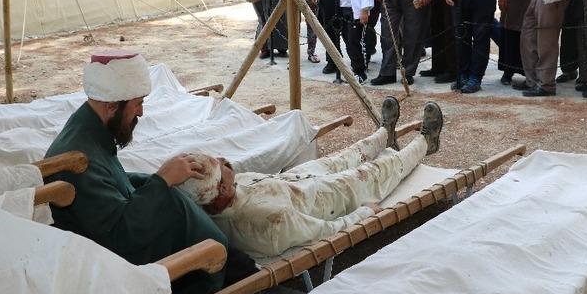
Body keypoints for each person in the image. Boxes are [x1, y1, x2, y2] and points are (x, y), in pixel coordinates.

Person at [43, 51, 231, 294]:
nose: (141, 113)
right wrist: (162, 181)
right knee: (205, 245)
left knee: (173, 202)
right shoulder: (78, 156)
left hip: (111, 244)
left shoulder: (91, 131)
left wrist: (156, 181)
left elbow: (114, 186)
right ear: (110, 106)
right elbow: (121, 235)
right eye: (137, 104)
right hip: (111, 265)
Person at [180, 97, 444, 258]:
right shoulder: (268, 223)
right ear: (222, 191)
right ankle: (426, 142)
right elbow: (321, 231)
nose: (225, 161)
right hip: (321, 201)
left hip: (296, 181)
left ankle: (386, 135)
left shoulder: (229, 190)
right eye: (220, 165)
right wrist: (361, 214)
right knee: (376, 173)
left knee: (345, 156)